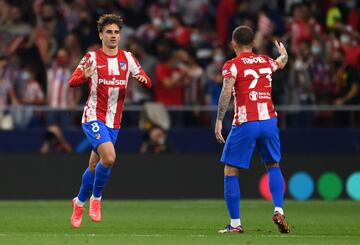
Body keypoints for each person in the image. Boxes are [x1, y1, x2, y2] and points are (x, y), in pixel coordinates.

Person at [68, 14, 151, 228]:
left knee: (95, 166)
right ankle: (96, 199)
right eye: (109, 32)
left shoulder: (128, 58)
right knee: (110, 157)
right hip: (93, 116)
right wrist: (85, 76)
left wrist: (143, 81)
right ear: (101, 35)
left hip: (114, 122)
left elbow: (147, 80)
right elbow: (72, 82)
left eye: (116, 32)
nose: (113, 36)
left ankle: (78, 202)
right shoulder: (91, 58)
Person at [214, 25, 289, 234]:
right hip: (269, 121)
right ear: (253, 44)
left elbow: (226, 90)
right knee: (273, 164)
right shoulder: (266, 61)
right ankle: (279, 210)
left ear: (233, 44)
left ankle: (236, 224)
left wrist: (219, 120)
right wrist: (284, 53)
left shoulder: (232, 65)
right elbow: (282, 62)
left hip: (246, 122)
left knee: (231, 169)